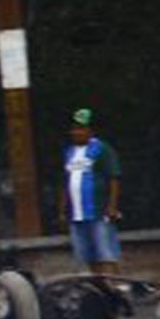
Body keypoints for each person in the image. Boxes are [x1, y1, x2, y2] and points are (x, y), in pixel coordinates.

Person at [60, 108, 122, 279]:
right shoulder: (69, 152)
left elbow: (114, 178)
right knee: (85, 254)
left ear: (90, 131)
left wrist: (112, 206)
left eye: (81, 128)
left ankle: (117, 285)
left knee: (105, 252)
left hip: (98, 211)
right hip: (76, 214)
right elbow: (67, 181)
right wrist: (63, 208)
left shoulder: (102, 149)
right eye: (74, 129)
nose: (76, 132)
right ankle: (98, 287)